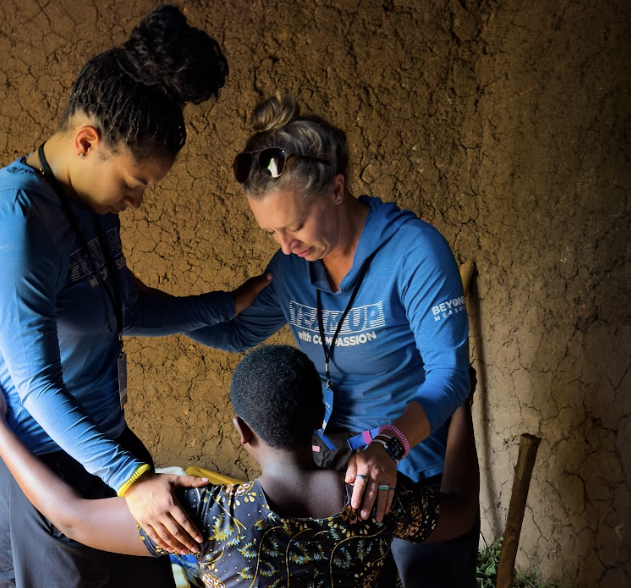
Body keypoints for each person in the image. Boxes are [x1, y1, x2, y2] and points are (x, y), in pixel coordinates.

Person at [0, 7, 269, 587]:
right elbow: (36, 383)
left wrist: (225, 305)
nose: (138, 201)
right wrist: (131, 480)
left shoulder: (88, 204)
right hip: (31, 467)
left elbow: (122, 308)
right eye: (134, 182)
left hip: (98, 445)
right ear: (86, 141)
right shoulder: (13, 222)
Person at [184, 93, 477, 586]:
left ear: (337, 189)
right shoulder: (292, 268)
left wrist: (390, 445)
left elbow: (451, 374)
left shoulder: (413, 252)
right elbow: (236, 333)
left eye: (295, 225)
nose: (286, 246)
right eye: (272, 232)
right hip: (339, 481)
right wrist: (139, 310)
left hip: (412, 471)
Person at [0, 345, 479, 588]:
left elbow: (69, 516)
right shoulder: (373, 498)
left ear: (242, 432)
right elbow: (460, 510)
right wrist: (460, 410)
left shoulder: (211, 519)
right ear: (320, 418)